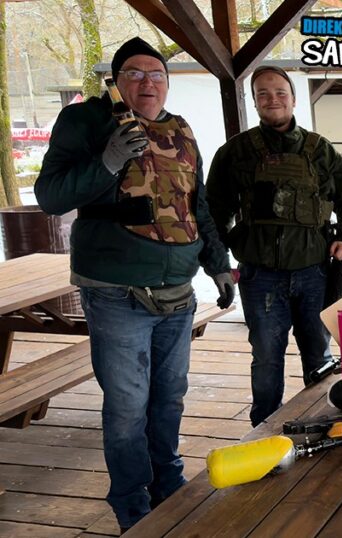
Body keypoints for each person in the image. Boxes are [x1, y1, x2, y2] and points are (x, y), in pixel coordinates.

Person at [34, 37, 234, 532]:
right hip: (116, 290)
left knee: (169, 397)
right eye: (135, 74)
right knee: (127, 406)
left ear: (167, 83)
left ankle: (168, 483)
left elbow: (196, 205)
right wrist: (106, 160)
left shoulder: (180, 129)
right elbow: (50, 197)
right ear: (116, 82)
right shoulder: (86, 121)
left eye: (157, 74)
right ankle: (131, 506)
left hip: (178, 290)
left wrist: (218, 263)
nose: (148, 82)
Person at [206, 66, 342, 427]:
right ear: (254, 101)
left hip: (314, 272)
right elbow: (215, 210)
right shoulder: (236, 152)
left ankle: (323, 424)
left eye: (280, 92)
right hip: (260, 276)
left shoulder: (319, 149)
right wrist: (218, 262)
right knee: (266, 358)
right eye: (263, 93)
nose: (272, 99)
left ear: (293, 99)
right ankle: (263, 430)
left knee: (319, 356)